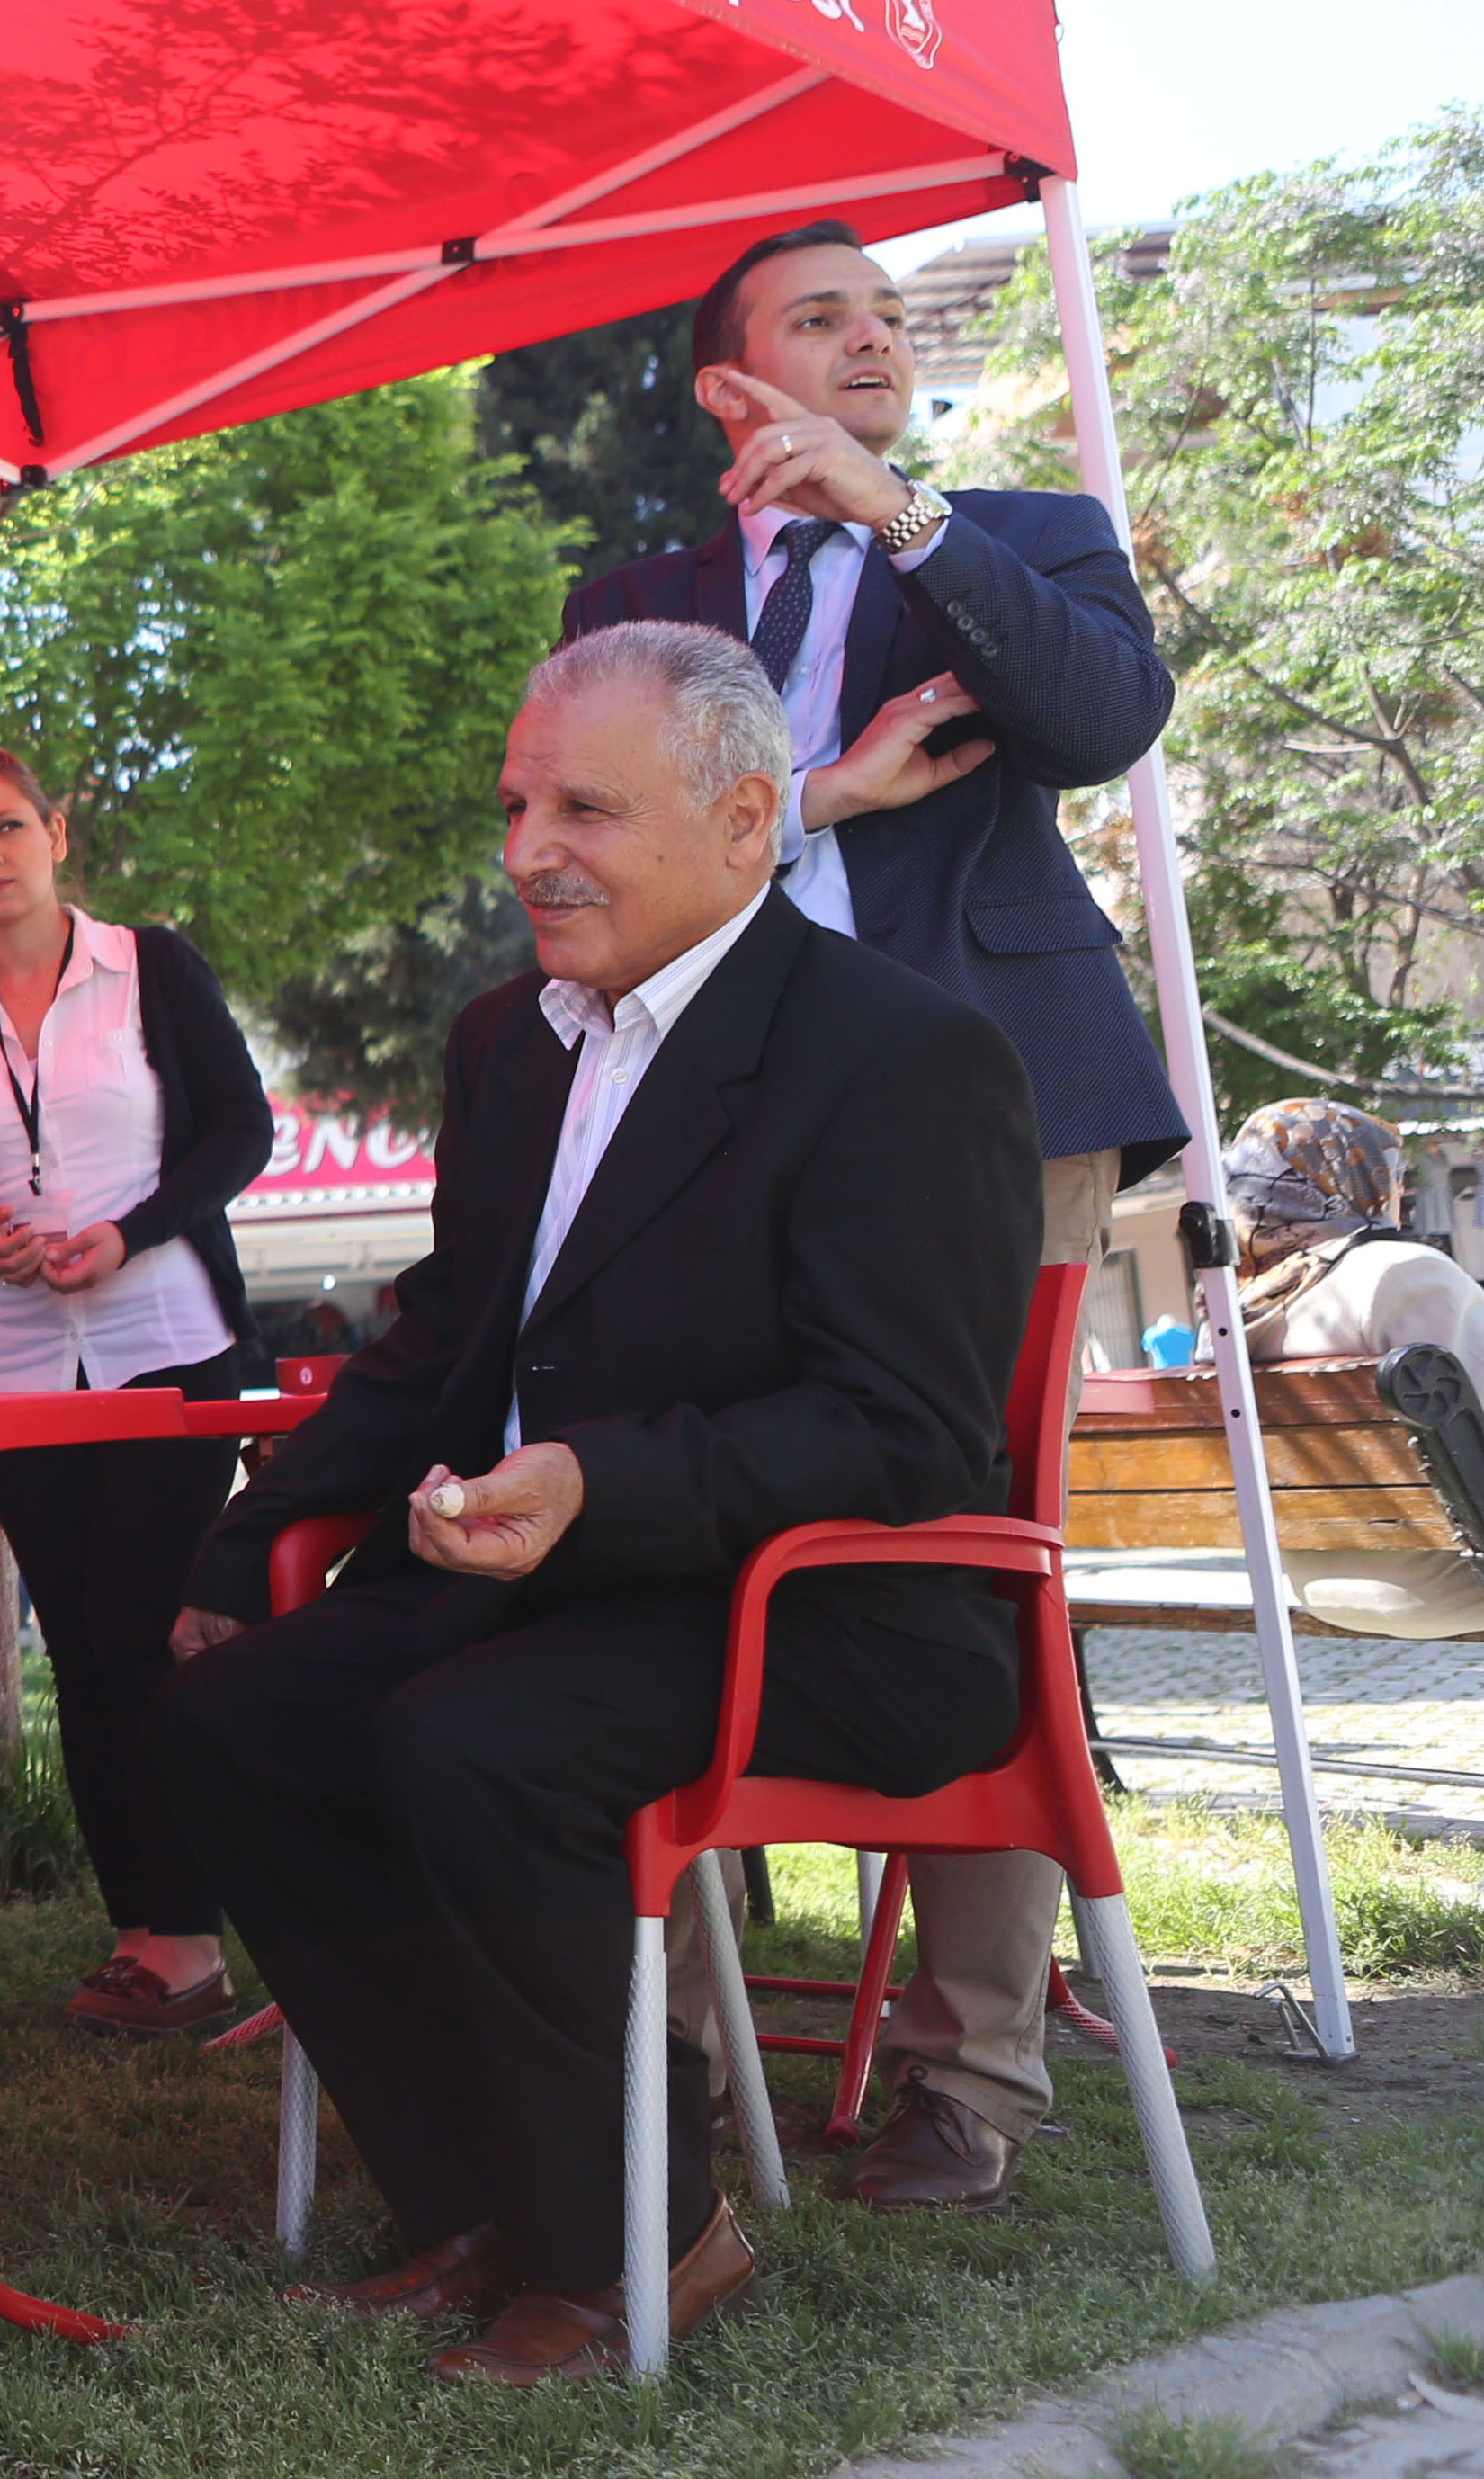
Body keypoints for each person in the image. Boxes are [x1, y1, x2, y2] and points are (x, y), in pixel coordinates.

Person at [153, 622, 1039, 2385]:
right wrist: (252, 1533)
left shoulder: (900, 1054)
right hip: (568, 1582)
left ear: (742, 819)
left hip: (838, 1603)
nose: (528, 847)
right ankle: (482, 2195)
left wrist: (601, 1482)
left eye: (584, 807)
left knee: (474, 1741)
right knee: (233, 1716)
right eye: (516, 803)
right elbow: (447, 1332)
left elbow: (904, 1426)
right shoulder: (512, 1042)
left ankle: (643, 2235)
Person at [563, 217, 1185, 2217]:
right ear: (724, 383)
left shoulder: (1012, 534)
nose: (871, 344)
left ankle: (976, 2068)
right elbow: (593, 851)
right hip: (717, 1113)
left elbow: (1101, 718)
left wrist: (900, 514)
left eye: (888, 322)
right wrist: (811, 798)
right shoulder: (642, 598)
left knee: (967, 1538)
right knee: (679, 1500)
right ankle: (660, 2022)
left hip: (991, 1098)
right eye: (818, 321)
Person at [0, 747, 276, 2040]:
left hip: (165, 1339)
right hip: (17, 1364)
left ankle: (198, 1928)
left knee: (141, 1639)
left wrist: (136, 1226)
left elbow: (240, 1129)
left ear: (56, 832)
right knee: (82, 1652)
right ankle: (142, 1935)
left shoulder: (151, 967)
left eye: (8, 826)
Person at [1211, 1099, 1484, 1638]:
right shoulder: (1399, 1273)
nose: (1399, 1190)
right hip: (1444, 1575)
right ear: (1352, 1174)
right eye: (1390, 1172)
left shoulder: (1230, 1310)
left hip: (1319, 1582)